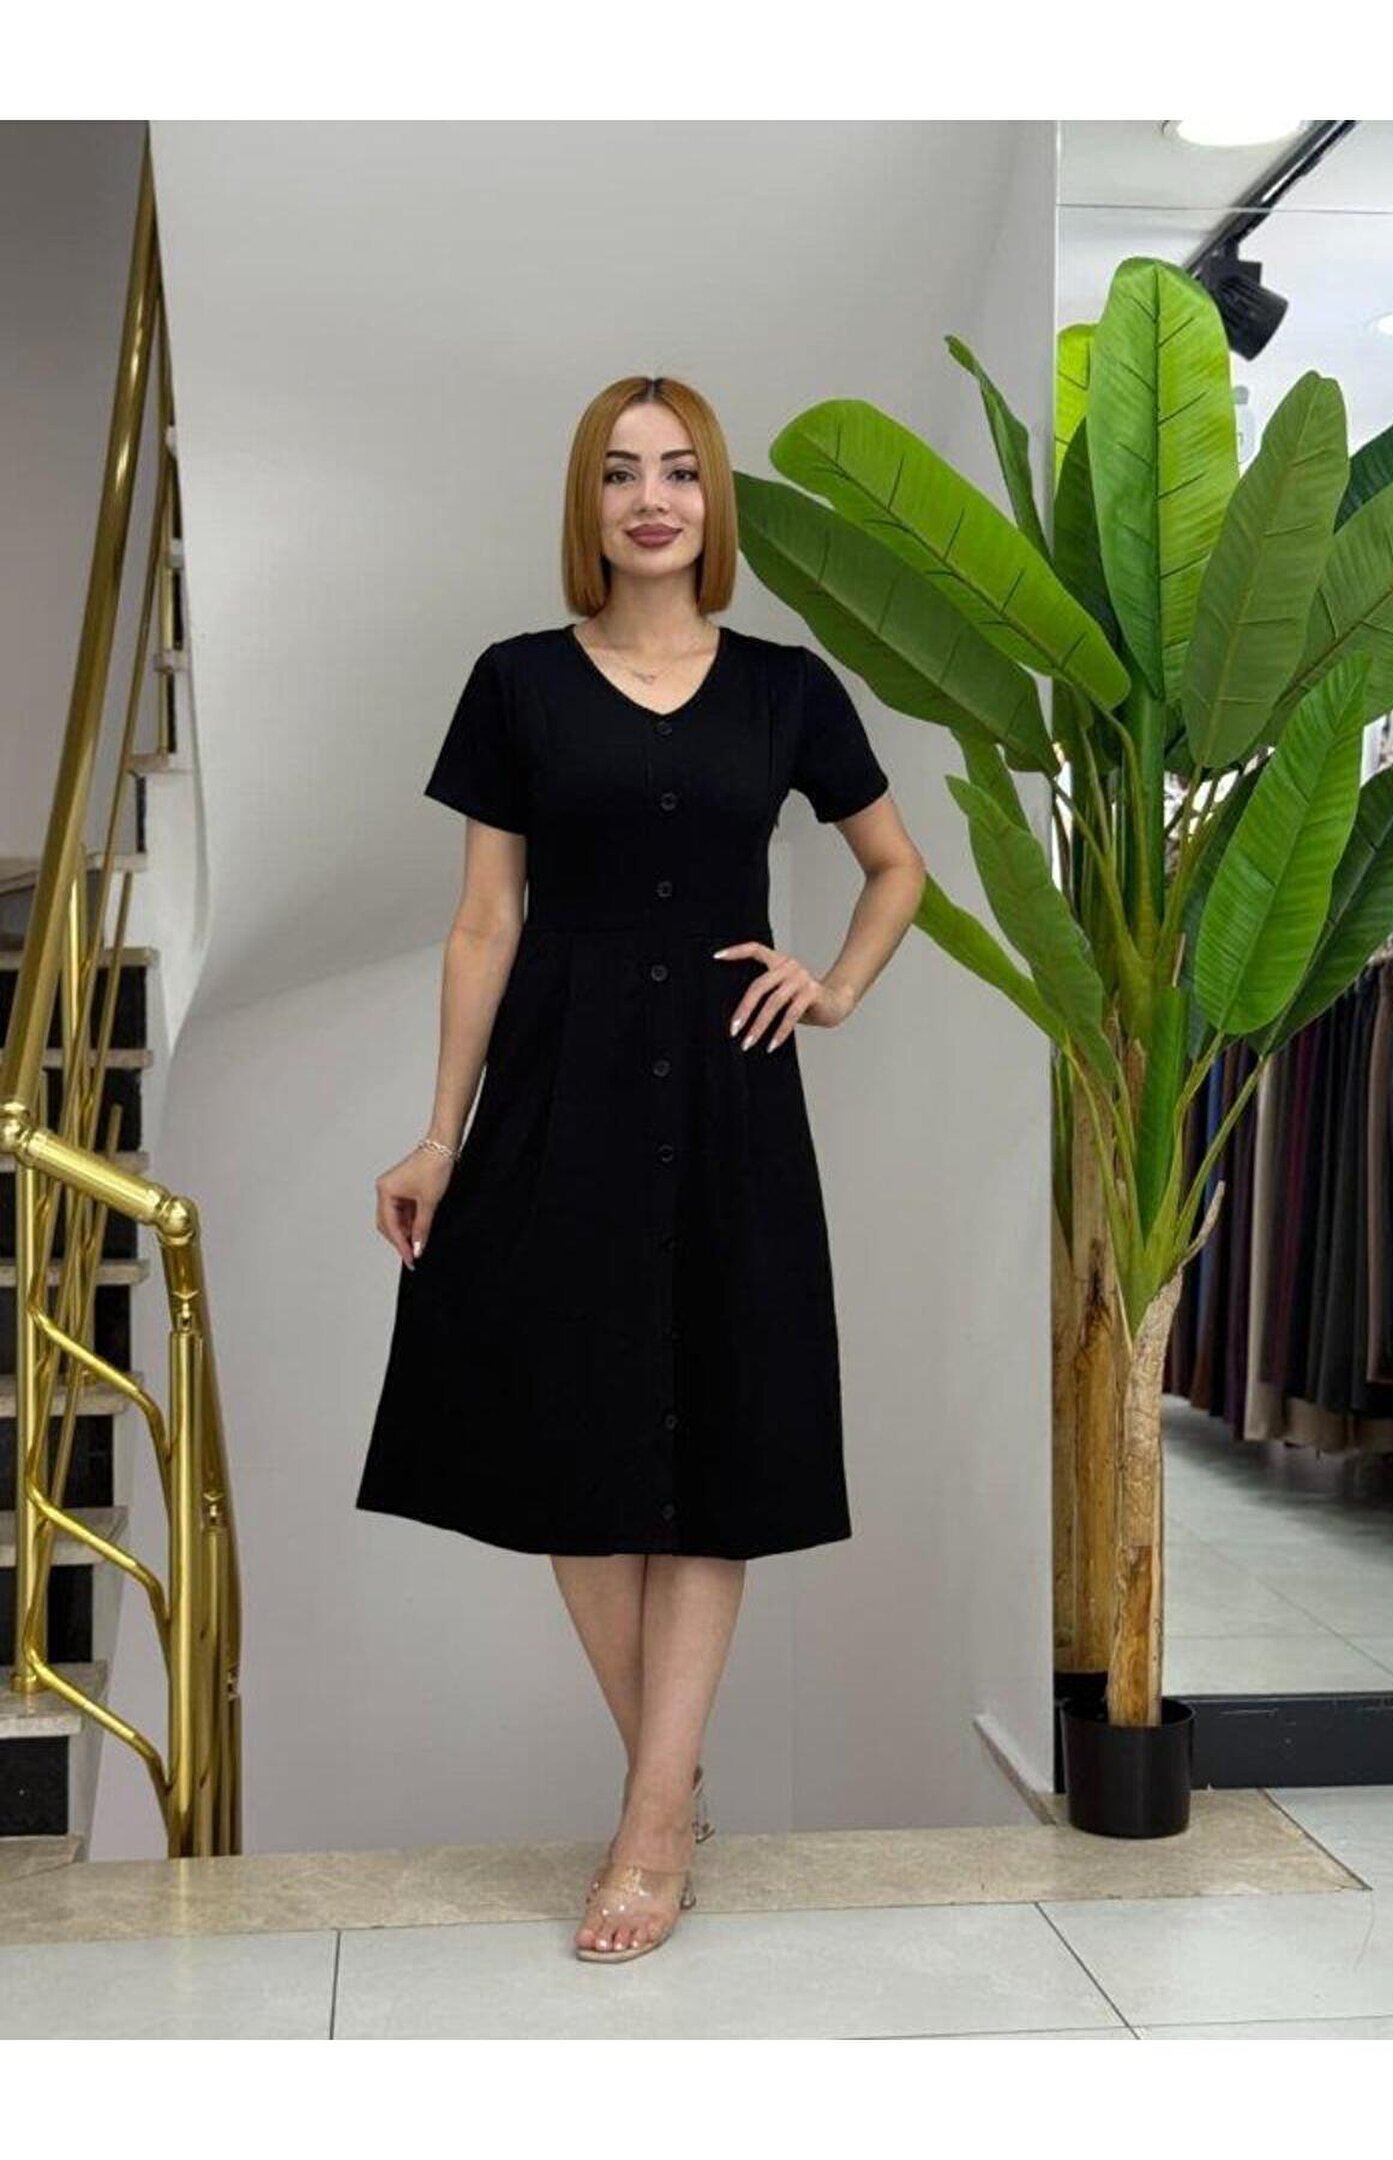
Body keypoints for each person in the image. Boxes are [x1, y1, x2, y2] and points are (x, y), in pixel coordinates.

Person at [355, 374, 926, 1962]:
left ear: (712, 500)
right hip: (562, 1096)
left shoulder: (786, 690)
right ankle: (669, 1784)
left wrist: (834, 984)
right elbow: (485, 923)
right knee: (572, 1450)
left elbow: (896, 867)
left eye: (679, 471)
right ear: (588, 504)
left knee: (716, 1453)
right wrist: (439, 1133)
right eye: (621, 474)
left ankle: (652, 1825)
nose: (652, 498)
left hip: (732, 1108)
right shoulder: (518, 683)